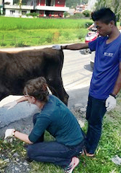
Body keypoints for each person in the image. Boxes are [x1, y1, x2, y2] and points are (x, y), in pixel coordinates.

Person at [52, 8, 121, 157]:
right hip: (93, 89)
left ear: (111, 24)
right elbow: (82, 46)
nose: (97, 30)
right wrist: (62, 47)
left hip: (104, 94)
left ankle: (90, 151)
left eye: (99, 27)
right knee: (90, 117)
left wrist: (113, 95)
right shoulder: (102, 40)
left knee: (95, 123)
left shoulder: (120, 44)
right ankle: (88, 141)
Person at [4, 77, 84, 173]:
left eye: (26, 96)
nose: (25, 97)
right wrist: (16, 101)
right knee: (36, 117)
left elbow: (29, 139)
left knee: (31, 152)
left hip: (71, 147)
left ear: (33, 98)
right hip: (77, 137)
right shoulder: (51, 98)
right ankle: (39, 145)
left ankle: (68, 162)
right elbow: (31, 96)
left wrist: (13, 132)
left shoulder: (46, 115)